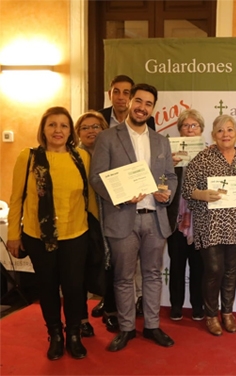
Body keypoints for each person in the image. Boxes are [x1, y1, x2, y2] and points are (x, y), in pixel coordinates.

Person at [90, 83, 177, 352]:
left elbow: (171, 177)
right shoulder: (108, 137)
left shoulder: (161, 141)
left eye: (148, 104)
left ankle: (151, 326)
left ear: (153, 108)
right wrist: (121, 195)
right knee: (123, 277)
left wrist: (168, 194)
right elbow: (97, 178)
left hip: (155, 217)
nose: (142, 107)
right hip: (122, 217)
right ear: (129, 102)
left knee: (152, 275)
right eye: (138, 101)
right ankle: (127, 328)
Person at [7, 107, 98, 360]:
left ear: (71, 131)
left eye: (64, 126)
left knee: (73, 287)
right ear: (43, 129)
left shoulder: (81, 157)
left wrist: (100, 230)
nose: (58, 130)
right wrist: (13, 235)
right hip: (38, 237)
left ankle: (74, 334)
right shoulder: (29, 157)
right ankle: (55, 334)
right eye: (52, 125)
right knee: (47, 287)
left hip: (75, 235)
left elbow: (89, 197)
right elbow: (16, 199)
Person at [182, 114, 236, 336]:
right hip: (210, 223)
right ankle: (211, 315)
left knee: (231, 271)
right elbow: (187, 190)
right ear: (214, 135)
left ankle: (228, 313)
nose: (226, 134)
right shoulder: (202, 158)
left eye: (230, 130)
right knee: (214, 270)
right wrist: (203, 194)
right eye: (221, 130)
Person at [93, 74, 150, 319]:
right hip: (111, 204)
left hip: (142, 205)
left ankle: (134, 307)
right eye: (117, 91)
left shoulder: (148, 123)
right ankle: (111, 307)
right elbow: (97, 172)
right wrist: (120, 194)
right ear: (110, 94)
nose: (121, 97)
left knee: (139, 269)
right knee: (112, 263)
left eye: (126, 92)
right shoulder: (99, 121)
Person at [166, 109, 205, 321]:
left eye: (194, 126)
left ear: (201, 130)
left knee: (199, 266)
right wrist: (168, 167)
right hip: (175, 219)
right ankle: (176, 305)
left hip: (199, 220)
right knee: (176, 265)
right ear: (179, 130)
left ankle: (197, 306)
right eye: (186, 126)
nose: (190, 129)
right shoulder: (168, 155)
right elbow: (159, 182)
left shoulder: (208, 154)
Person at [74, 110, 110, 337]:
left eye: (96, 126)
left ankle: (111, 311)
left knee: (110, 269)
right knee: (76, 273)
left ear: (104, 130)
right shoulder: (72, 156)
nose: (91, 131)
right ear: (78, 133)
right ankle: (80, 319)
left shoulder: (113, 154)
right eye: (85, 127)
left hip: (110, 221)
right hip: (79, 223)